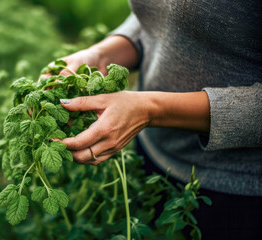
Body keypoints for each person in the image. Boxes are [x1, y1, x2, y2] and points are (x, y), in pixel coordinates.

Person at [51, 1, 262, 239]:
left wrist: (151, 110)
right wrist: (102, 54)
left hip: (234, 194)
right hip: (150, 154)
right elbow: (161, 16)